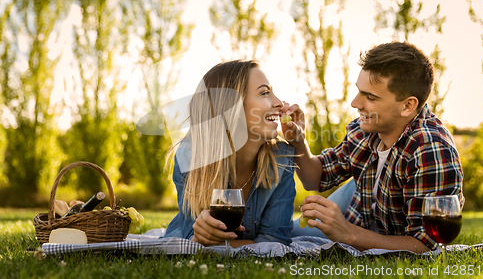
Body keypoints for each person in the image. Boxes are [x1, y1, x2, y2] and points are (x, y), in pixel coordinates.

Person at [281, 41, 464, 253]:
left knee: (286, 235)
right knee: (283, 233)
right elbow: (316, 177)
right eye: (359, 91)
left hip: (372, 225)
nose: (355, 103)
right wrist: (298, 140)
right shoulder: (364, 130)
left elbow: (424, 245)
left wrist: (347, 233)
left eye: (370, 97)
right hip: (360, 202)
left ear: (407, 106)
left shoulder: (430, 150)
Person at [163, 60, 296, 247]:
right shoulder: (190, 156)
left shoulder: (282, 157)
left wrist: (211, 245)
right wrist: (199, 236)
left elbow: (276, 241)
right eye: (265, 93)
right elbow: (189, 237)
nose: (279, 103)